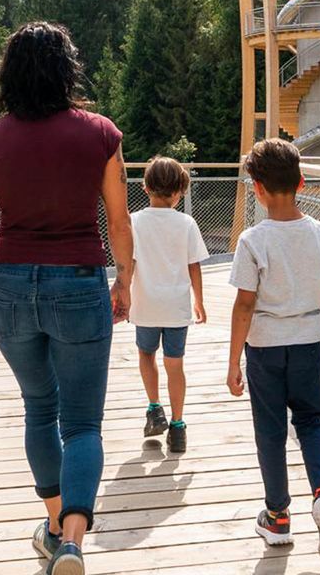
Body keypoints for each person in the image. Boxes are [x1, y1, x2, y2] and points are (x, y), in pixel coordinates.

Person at [0, 22, 133, 575]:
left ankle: (53, 525)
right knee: (83, 425)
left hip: (8, 290)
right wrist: (124, 280)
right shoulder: (100, 134)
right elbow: (119, 221)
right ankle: (73, 538)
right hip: (79, 283)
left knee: (39, 409)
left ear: (9, 74)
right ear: (66, 68)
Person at [226, 138, 320, 561]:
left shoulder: (252, 240)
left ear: (257, 188)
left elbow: (244, 304)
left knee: (271, 431)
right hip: (307, 342)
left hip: (264, 348)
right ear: (301, 183)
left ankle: (278, 516)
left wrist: (233, 363)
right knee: (312, 422)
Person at [129, 156, 209, 453]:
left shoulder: (134, 221)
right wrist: (199, 300)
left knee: (146, 355)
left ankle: (154, 409)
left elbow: (129, 262)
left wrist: (123, 294)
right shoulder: (186, 222)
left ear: (146, 187)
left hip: (146, 305)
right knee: (175, 365)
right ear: (179, 191)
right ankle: (177, 427)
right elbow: (194, 265)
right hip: (176, 308)